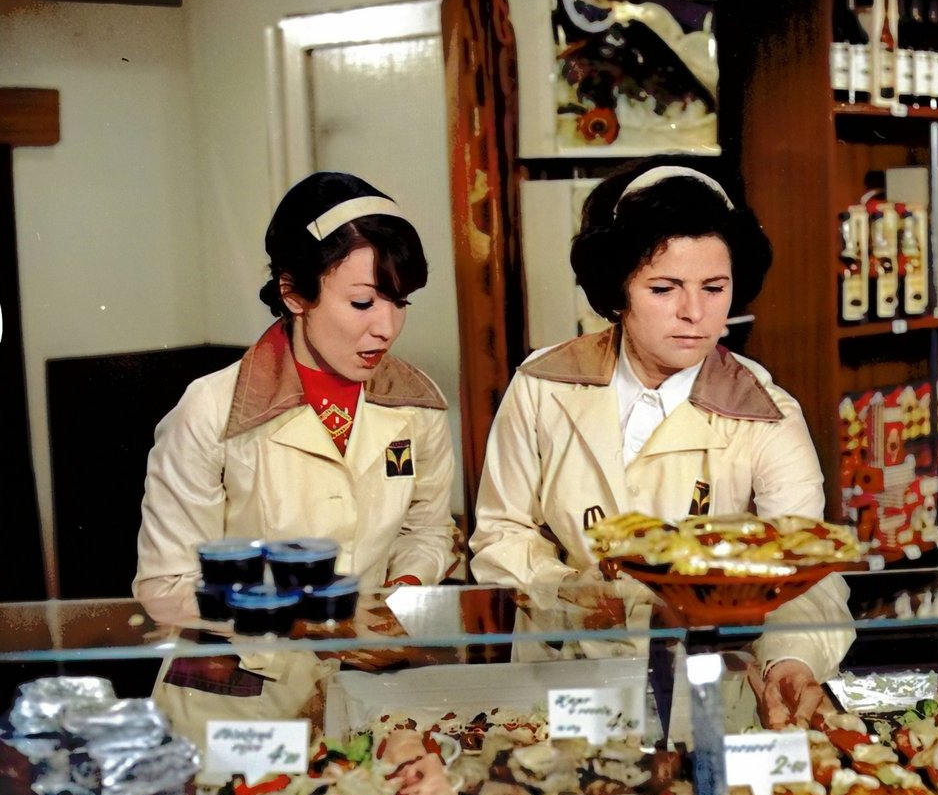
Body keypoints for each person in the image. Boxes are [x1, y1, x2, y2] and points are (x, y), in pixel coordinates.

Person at [469, 161, 853, 728]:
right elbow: (502, 531)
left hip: (706, 688)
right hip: (564, 679)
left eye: (714, 288)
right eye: (664, 288)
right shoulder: (543, 385)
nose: (694, 314)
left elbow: (804, 567)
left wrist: (791, 658)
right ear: (617, 290)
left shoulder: (766, 412)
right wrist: (565, 592)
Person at [134, 171, 457, 734]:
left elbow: (428, 531)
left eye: (398, 301)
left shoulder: (418, 405)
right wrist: (318, 621)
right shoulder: (211, 409)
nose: (386, 327)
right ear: (293, 293)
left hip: (367, 690)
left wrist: (398, 600)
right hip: (236, 702)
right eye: (362, 301)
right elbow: (165, 589)